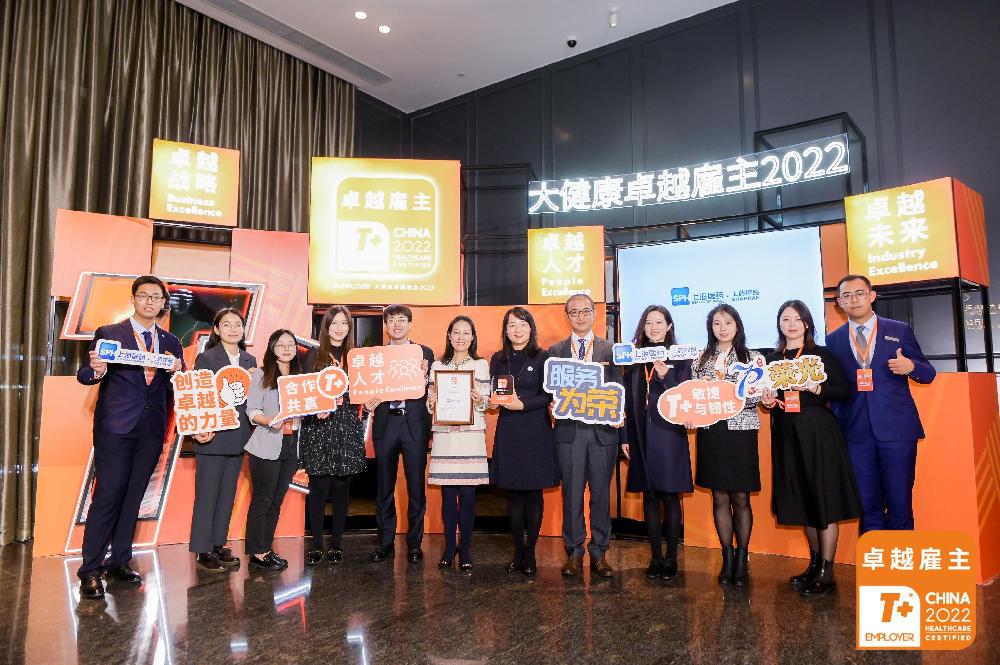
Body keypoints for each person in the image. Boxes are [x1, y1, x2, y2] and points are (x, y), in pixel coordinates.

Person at [75, 275, 184, 599]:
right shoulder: (110, 334)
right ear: (134, 299)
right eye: (144, 296)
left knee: (134, 496)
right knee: (108, 495)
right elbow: (85, 374)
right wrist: (97, 370)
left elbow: (176, 389)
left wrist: (180, 372)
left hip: (152, 428)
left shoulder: (171, 342)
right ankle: (90, 570)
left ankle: (119, 561)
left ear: (163, 303)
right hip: (116, 427)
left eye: (156, 297)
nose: (150, 302)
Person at [761, 300, 862, 598]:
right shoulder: (772, 359)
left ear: (807, 323)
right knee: (802, 499)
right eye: (785, 319)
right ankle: (814, 565)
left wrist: (818, 388)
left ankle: (827, 573)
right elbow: (769, 398)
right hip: (787, 432)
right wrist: (767, 402)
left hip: (818, 433)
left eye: (797, 319)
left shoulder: (821, 355)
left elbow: (845, 391)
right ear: (779, 324)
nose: (791, 324)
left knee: (823, 498)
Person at [827, 275, 936, 533]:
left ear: (872, 296)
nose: (854, 300)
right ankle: (874, 557)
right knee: (867, 505)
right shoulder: (832, 341)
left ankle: (900, 558)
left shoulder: (899, 330)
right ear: (839, 303)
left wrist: (911, 366)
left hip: (897, 430)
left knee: (900, 502)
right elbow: (832, 388)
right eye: (847, 296)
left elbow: (928, 373)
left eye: (859, 293)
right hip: (854, 434)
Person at [548, 293, 626, 578]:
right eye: (574, 312)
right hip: (569, 433)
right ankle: (573, 552)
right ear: (567, 317)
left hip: (603, 434)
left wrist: (621, 418)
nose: (580, 317)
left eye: (585, 311)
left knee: (601, 495)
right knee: (571, 494)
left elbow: (621, 389)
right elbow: (548, 390)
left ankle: (599, 552)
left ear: (595, 314)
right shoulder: (555, 351)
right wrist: (551, 404)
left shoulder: (610, 349)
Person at [691, 303, 763, 587]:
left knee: (741, 497)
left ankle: (743, 558)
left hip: (740, 432)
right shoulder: (700, 359)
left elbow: (755, 398)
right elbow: (693, 396)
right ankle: (727, 557)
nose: (722, 328)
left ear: (737, 326)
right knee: (719, 496)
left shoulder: (752, 358)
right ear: (711, 328)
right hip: (712, 433)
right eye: (717, 323)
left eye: (728, 323)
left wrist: (732, 393)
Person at [622, 305, 692, 581]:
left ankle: (671, 558)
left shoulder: (680, 357)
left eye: (659, 322)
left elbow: (685, 395)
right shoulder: (635, 357)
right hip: (640, 434)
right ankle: (655, 557)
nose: (653, 328)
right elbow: (625, 402)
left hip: (669, 435)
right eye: (648, 323)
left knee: (670, 496)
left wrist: (666, 376)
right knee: (649, 496)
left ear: (669, 326)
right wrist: (625, 437)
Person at [489, 307, 559, 576]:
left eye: (522, 325)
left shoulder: (543, 357)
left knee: (533, 494)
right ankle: (517, 552)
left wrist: (523, 405)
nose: (517, 330)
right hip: (509, 431)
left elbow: (549, 395)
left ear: (531, 328)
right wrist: (492, 402)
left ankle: (530, 554)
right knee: (514, 495)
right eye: (511, 325)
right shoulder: (498, 359)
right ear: (505, 330)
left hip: (536, 430)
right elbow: (494, 392)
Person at [188, 308, 257, 572]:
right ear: (216, 329)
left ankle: (218, 544)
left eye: (237, 324)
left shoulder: (250, 360)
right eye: (226, 324)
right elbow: (198, 395)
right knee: (207, 496)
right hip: (212, 436)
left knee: (227, 495)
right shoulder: (206, 358)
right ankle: (202, 549)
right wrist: (199, 427)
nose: (232, 329)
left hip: (239, 436)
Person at [366, 305, 435, 563]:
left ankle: (414, 544)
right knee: (384, 487)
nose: (397, 324)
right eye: (392, 320)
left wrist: (425, 375)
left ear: (410, 324)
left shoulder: (424, 353)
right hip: (385, 424)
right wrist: (367, 402)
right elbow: (368, 389)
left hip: (414, 424)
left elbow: (433, 389)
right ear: (385, 325)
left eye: (402, 319)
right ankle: (385, 543)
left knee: (416, 486)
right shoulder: (376, 356)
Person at [299, 306, 366, 566]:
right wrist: (317, 407)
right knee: (318, 487)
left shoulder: (355, 358)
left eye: (344, 323)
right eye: (334, 323)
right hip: (319, 427)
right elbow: (304, 393)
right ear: (326, 327)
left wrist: (368, 402)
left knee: (341, 487)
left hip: (346, 426)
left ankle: (336, 544)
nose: (339, 328)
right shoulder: (314, 355)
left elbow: (363, 391)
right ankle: (316, 544)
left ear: (350, 328)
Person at [426, 316, 491, 570]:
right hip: (446, 436)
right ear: (449, 335)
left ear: (472, 337)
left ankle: (465, 549)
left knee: (468, 496)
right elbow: (431, 399)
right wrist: (431, 403)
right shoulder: (437, 365)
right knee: (447, 496)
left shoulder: (481, 365)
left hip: (470, 437)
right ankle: (449, 547)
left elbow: (487, 402)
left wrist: (479, 399)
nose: (461, 337)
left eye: (466, 333)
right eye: (456, 332)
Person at [243, 329, 303, 571]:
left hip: (291, 444)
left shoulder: (300, 377)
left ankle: (265, 548)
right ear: (272, 348)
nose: (286, 349)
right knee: (263, 500)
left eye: (291, 344)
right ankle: (258, 552)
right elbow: (252, 410)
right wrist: (268, 420)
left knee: (277, 500)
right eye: (281, 344)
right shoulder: (261, 374)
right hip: (266, 444)